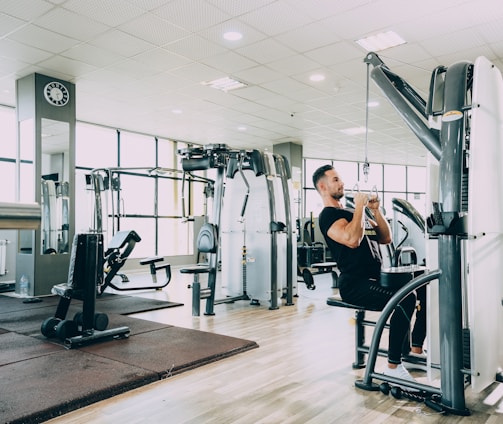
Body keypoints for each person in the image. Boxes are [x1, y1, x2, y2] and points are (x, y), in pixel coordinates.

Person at [312, 164, 426, 384]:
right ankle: (393, 366)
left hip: (376, 279)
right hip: (354, 285)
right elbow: (352, 240)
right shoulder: (327, 216)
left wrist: (374, 210)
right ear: (323, 187)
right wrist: (358, 209)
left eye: (341, 179)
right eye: (336, 179)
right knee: (405, 299)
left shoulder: (354, 214)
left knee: (421, 288)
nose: (342, 183)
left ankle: (415, 349)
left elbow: (385, 237)